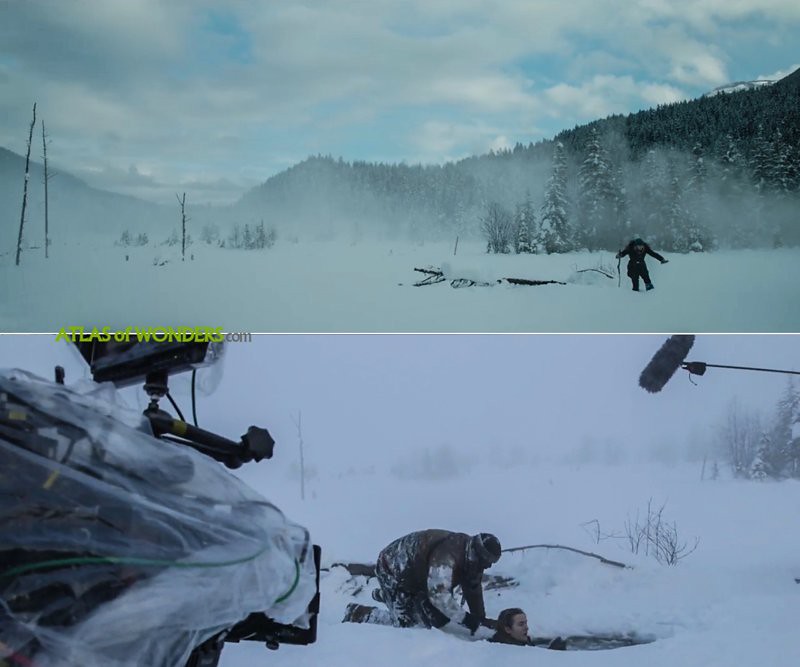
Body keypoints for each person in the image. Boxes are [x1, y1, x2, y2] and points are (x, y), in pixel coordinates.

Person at [373, 529, 502, 640]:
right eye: (487, 561)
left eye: (492, 562)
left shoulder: (473, 561)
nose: (488, 566)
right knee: (411, 627)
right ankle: (369, 613)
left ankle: (386, 596)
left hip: (422, 577)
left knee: (436, 619)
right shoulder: (447, 556)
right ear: (478, 554)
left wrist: (480, 620)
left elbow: (473, 589)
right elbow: (438, 596)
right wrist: (466, 620)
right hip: (393, 568)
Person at [488, 607, 567, 650]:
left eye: (526, 623)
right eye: (521, 624)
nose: (527, 628)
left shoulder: (521, 644)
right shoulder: (505, 651)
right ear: (508, 629)